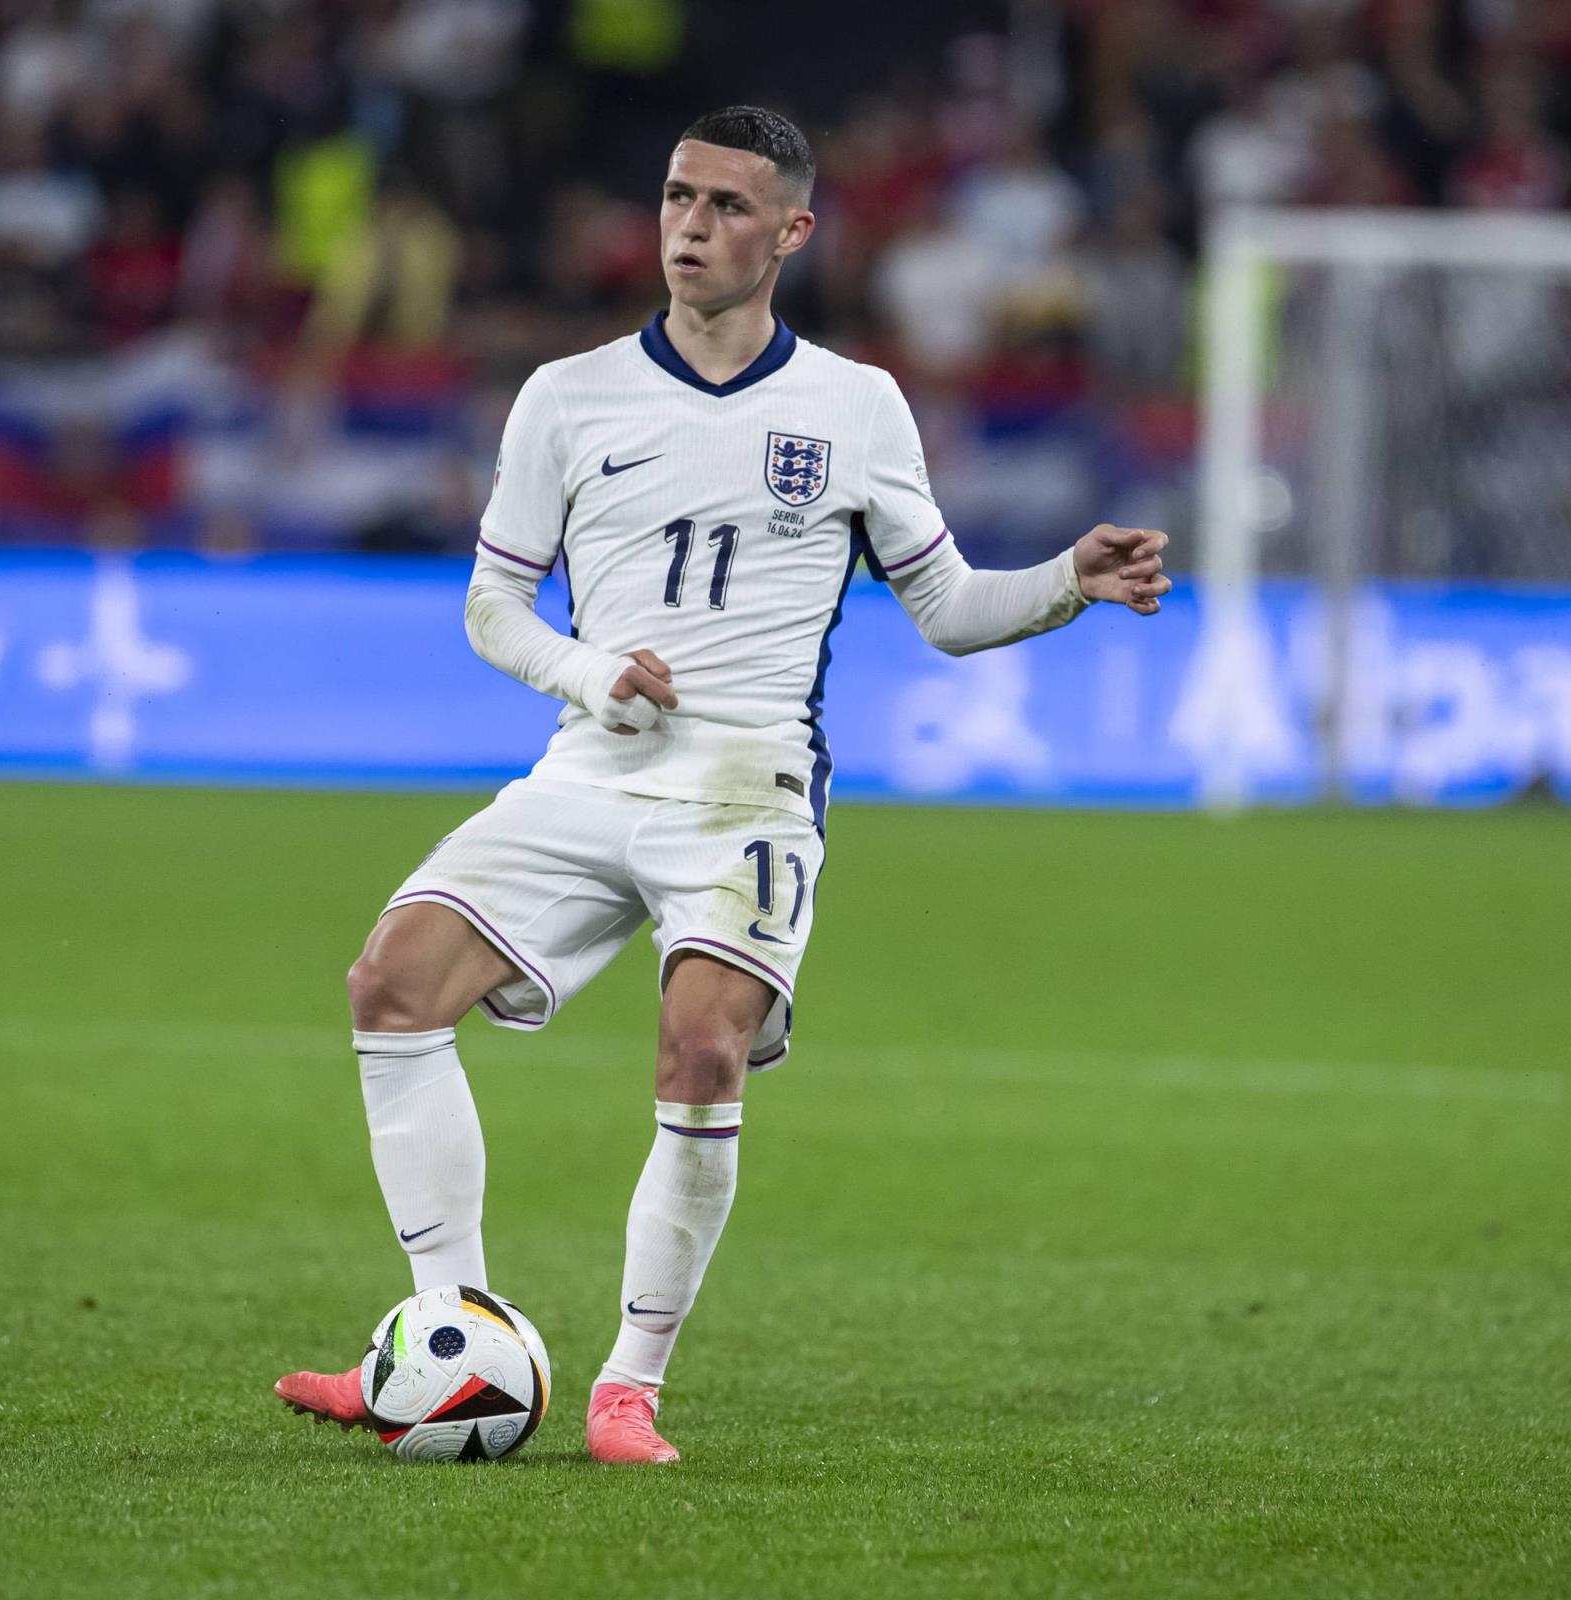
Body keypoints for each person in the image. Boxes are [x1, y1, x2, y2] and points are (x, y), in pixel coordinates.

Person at [276, 106, 1169, 1464]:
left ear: (793, 232)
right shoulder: (566, 396)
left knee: (701, 1051)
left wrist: (1065, 583)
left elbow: (944, 608)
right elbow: (492, 606)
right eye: (678, 197)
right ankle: (448, 1335)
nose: (691, 226)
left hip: (749, 785)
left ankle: (628, 1389)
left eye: (728, 206)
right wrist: (587, 673)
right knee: (390, 984)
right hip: (592, 765)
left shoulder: (855, 405)